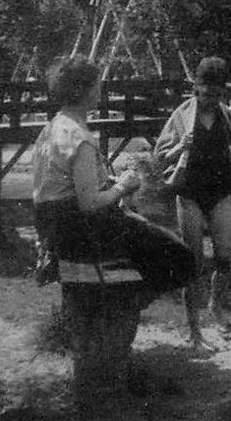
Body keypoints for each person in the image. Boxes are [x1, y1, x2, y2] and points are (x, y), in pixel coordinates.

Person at [32, 55, 194, 298]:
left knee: (141, 229)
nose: (101, 90)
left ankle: (118, 297)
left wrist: (112, 185)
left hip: (50, 224)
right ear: (81, 90)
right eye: (97, 85)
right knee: (181, 256)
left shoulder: (50, 128)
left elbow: (62, 186)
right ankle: (131, 300)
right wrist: (123, 187)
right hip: (78, 226)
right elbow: (89, 203)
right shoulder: (79, 138)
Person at [155, 56, 231, 348]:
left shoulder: (226, 114)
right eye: (206, 94)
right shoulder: (182, 115)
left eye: (218, 95)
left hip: (219, 192)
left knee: (226, 259)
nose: (211, 100)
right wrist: (180, 146)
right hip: (190, 192)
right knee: (192, 264)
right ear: (196, 88)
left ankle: (216, 306)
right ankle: (194, 331)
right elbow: (159, 157)